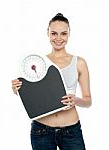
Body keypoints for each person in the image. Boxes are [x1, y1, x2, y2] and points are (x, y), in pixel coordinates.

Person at [12, 13, 92, 150]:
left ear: (69, 34)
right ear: (47, 33)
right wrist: (18, 88)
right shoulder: (37, 62)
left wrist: (76, 100)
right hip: (41, 131)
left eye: (63, 34)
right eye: (54, 33)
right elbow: (33, 94)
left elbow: (88, 101)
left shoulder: (79, 63)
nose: (59, 38)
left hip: (71, 131)